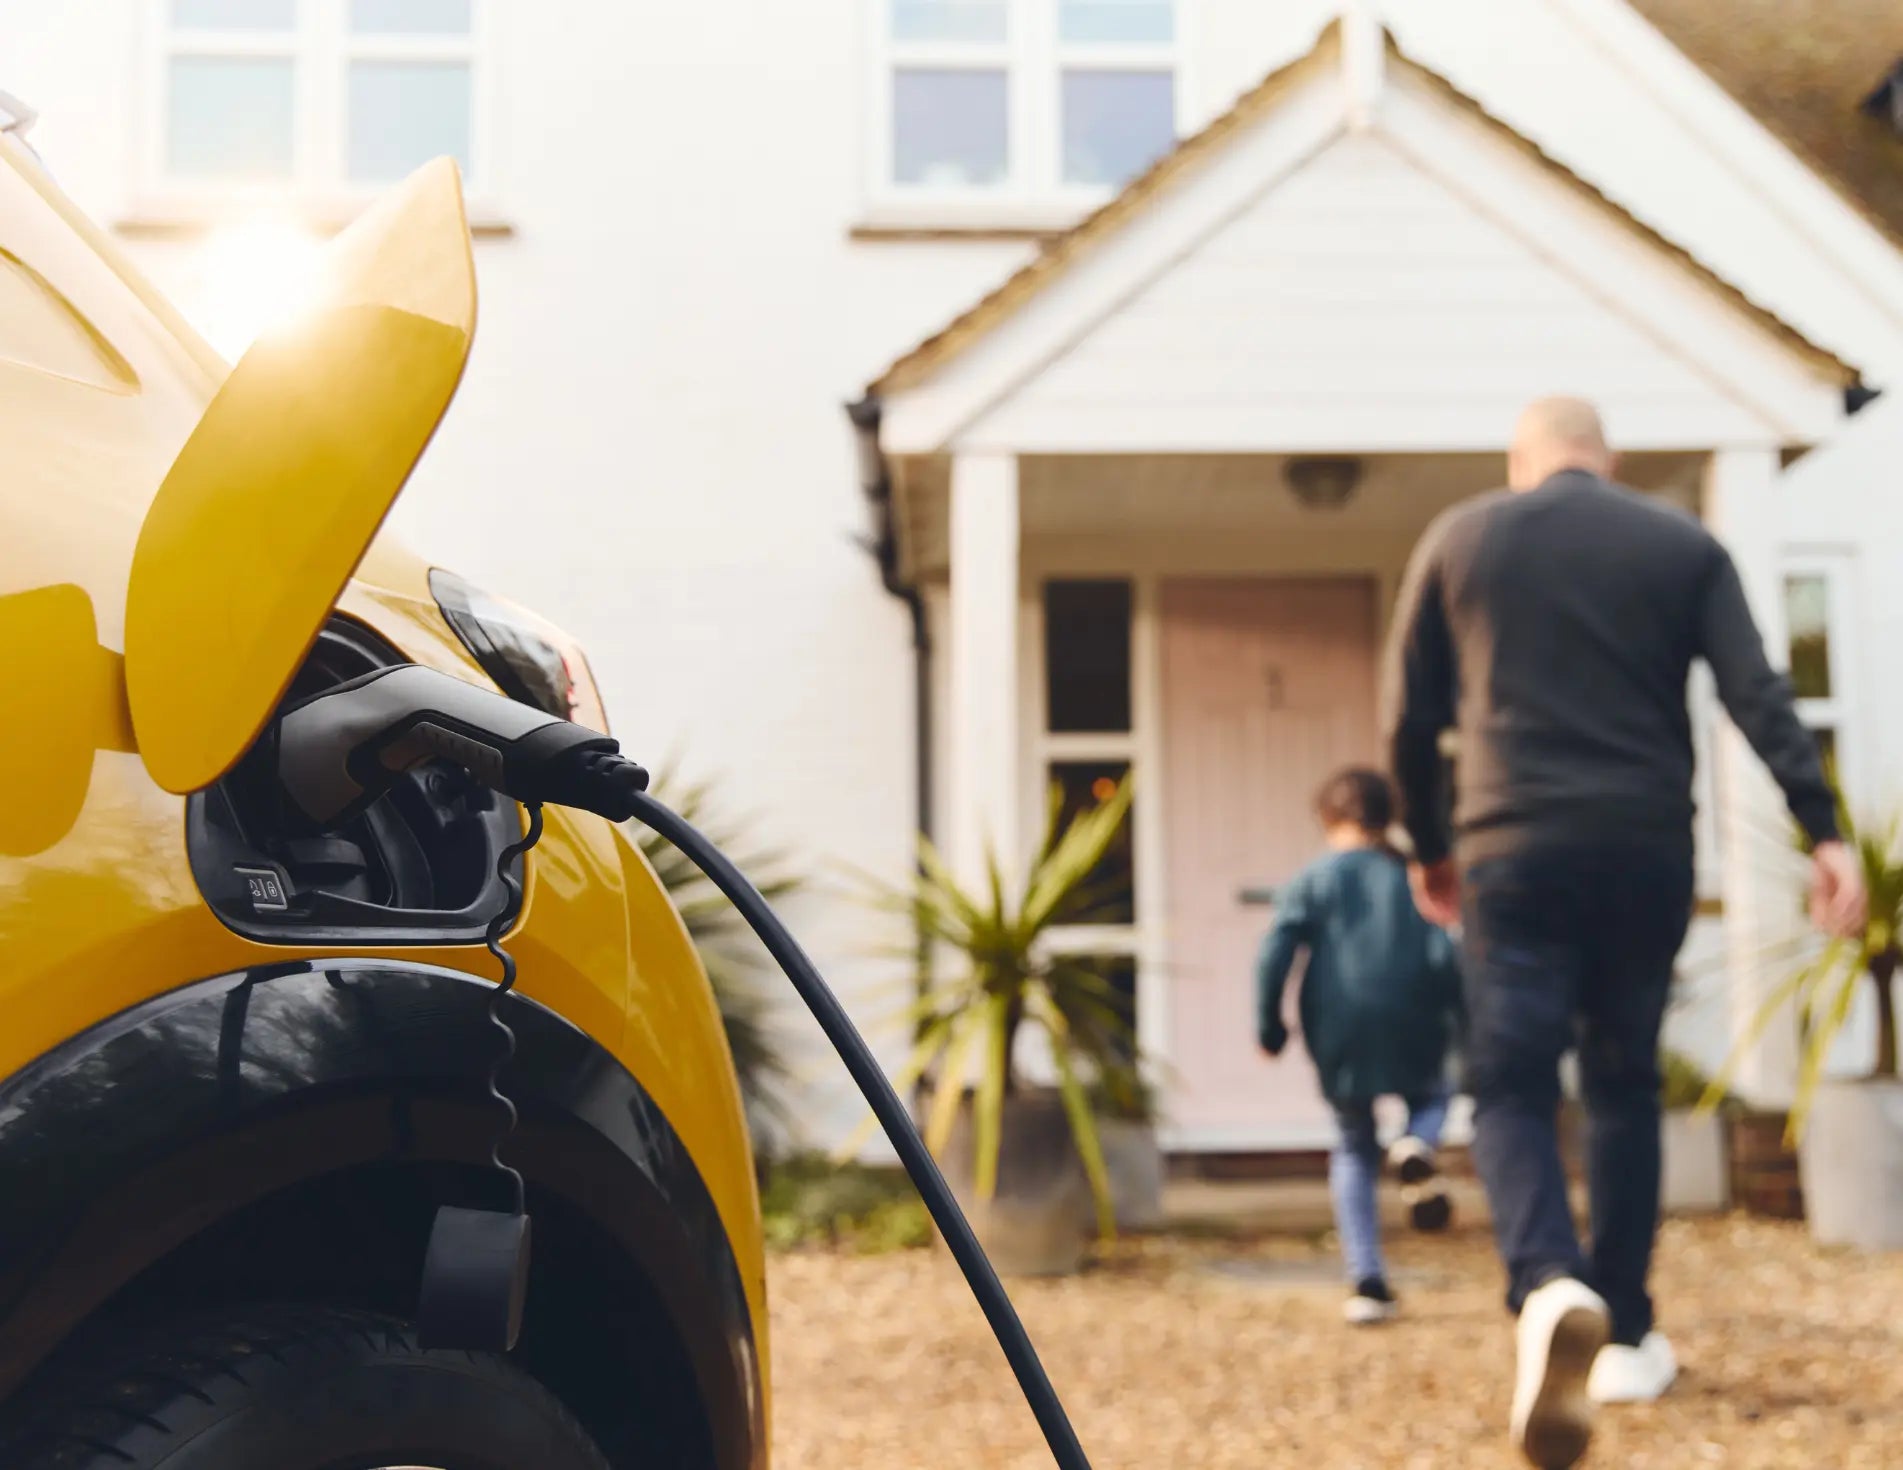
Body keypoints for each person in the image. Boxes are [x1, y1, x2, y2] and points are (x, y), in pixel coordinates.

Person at [1382, 396, 1867, 1469]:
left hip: (1509, 848)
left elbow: (1408, 717)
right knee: (1621, 1084)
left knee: (1509, 1082)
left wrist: (1428, 845)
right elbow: (1758, 693)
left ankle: (1548, 1280)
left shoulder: (1461, 539)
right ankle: (1626, 1330)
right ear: (1605, 460)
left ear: (1521, 464)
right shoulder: (1681, 545)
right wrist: (1823, 832)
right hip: (1645, 850)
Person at [1256, 767, 1465, 1327]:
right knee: (1435, 1092)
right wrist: (1462, 1018)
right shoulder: (1412, 876)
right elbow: (1446, 950)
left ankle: (1367, 1281)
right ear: (1387, 818)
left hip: (1339, 1025)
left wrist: (1269, 1026)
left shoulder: (1313, 881)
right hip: (1415, 1016)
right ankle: (1416, 1143)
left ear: (1327, 819)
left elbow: (1275, 953)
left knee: (1352, 1143)